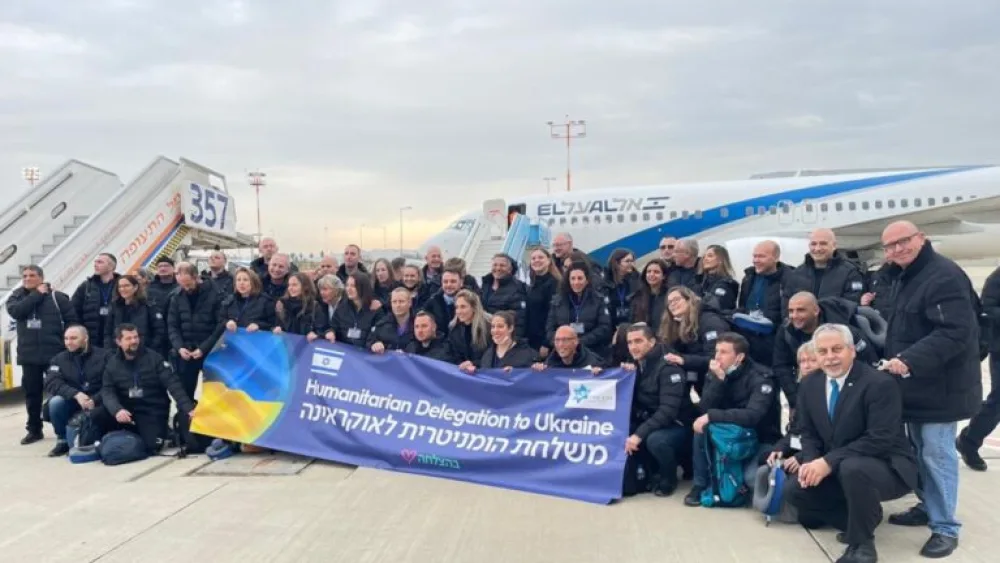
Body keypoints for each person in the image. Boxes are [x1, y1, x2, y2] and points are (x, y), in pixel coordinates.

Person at [878, 221, 981, 558]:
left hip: (942, 387)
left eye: (903, 242)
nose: (896, 250)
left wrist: (909, 359)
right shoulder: (905, 276)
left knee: (937, 455)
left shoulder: (943, 275)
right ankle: (928, 506)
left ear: (921, 239)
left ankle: (945, 527)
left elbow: (955, 332)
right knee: (920, 451)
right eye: (890, 246)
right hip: (916, 385)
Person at [781, 324, 916, 563]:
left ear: (852, 350)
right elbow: (808, 432)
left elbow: (880, 438)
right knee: (794, 490)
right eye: (822, 352)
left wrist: (828, 462)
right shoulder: (811, 385)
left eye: (837, 349)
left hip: (886, 466)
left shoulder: (879, 384)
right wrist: (812, 462)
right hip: (839, 465)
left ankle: (862, 545)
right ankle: (862, 517)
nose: (830, 357)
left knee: (852, 468)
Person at [684, 332, 782, 506]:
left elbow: (753, 415)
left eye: (723, 352)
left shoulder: (761, 377)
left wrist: (713, 416)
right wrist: (718, 381)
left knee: (750, 479)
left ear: (740, 357)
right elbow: (704, 409)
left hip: (756, 437)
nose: (717, 357)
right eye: (716, 351)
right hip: (726, 434)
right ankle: (699, 485)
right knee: (701, 429)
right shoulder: (716, 372)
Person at [620, 323, 695, 496]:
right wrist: (626, 375)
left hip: (679, 424)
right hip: (652, 420)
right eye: (630, 342)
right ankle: (645, 473)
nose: (633, 346)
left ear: (652, 342)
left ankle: (668, 478)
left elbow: (667, 411)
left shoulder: (668, 367)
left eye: (638, 341)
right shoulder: (636, 364)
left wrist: (638, 435)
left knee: (655, 440)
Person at [6, 265, 77, 445]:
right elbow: (17, 312)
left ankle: (66, 428)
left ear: (41, 277)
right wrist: (36, 295)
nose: (27, 278)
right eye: (24, 275)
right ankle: (34, 430)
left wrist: (68, 346)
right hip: (29, 356)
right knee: (32, 394)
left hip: (55, 354)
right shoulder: (16, 297)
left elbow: (72, 321)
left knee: (61, 392)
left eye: (32, 275)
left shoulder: (57, 298)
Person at [102, 324, 196, 454]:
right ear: (118, 342)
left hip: (151, 410)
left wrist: (189, 409)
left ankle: (161, 433)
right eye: (128, 338)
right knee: (98, 415)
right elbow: (107, 391)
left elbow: (173, 385)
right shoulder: (112, 364)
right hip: (126, 410)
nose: (134, 341)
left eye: (136, 337)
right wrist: (117, 410)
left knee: (152, 446)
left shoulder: (154, 358)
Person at [43, 325, 112, 456]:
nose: (69, 342)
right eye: (66, 338)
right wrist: (75, 394)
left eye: (74, 338)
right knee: (55, 403)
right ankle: (62, 440)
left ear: (85, 338)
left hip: (99, 399)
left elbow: (112, 383)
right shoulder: (58, 359)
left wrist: (94, 399)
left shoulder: (105, 356)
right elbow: (52, 382)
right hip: (74, 399)